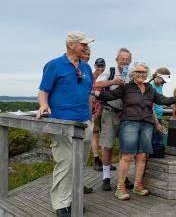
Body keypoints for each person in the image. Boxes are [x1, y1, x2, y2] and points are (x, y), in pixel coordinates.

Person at [95, 62, 176, 200]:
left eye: (143, 72)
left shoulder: (150, 89)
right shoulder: (126, 87)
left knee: (142, 156)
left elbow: (162, 100)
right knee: (127, 156)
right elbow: (110, 95)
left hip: (146, 124)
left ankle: (137, 186)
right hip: (129, 123)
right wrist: (96, 92)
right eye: (138, 72)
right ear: (133, 74)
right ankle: (120, 188)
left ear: (147, 75)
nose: (141, 74)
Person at [37, 31, 94, 217]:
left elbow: (87, 93)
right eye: (82, 44)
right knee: (65, 163)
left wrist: (91, 116)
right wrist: (44, 105)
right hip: (62, 123)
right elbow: (43, 91)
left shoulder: (86, 68)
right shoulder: (54, 65)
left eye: (86, 44)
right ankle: (61, 205)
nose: (86, 47)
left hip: (84, 122)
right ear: (71, 44)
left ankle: (73, 200)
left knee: (80, 164)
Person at [94, 48, 133, 191]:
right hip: (110, 112)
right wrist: (113, 81)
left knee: (126, 147)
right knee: (108, 146)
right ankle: (106, 177)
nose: (124, 61)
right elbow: (96, 85)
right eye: (122, 58)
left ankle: (123, 177)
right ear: (116, 59)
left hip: (127, 114)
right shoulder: (109, 71)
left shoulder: (132, 73)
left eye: (127, 59)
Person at [148, 67, 171, 158]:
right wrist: (157, 123)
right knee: (154, 141)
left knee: (159, 139)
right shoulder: (150, 86)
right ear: (157, 76)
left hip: (159, 116)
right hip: (153, 118)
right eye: (163, 80)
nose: (164, 83)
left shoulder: (160, 85)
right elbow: (150, 107)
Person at [91, 58, 106, 171]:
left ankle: (105, 161)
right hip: (94, 108)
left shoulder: (107, 76)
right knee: (95, 133)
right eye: (98, 66)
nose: (100, 68)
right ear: (95, 66)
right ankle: (97, 159)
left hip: (105, 108)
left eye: (102, 66)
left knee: (105, 135)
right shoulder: (91, 77)